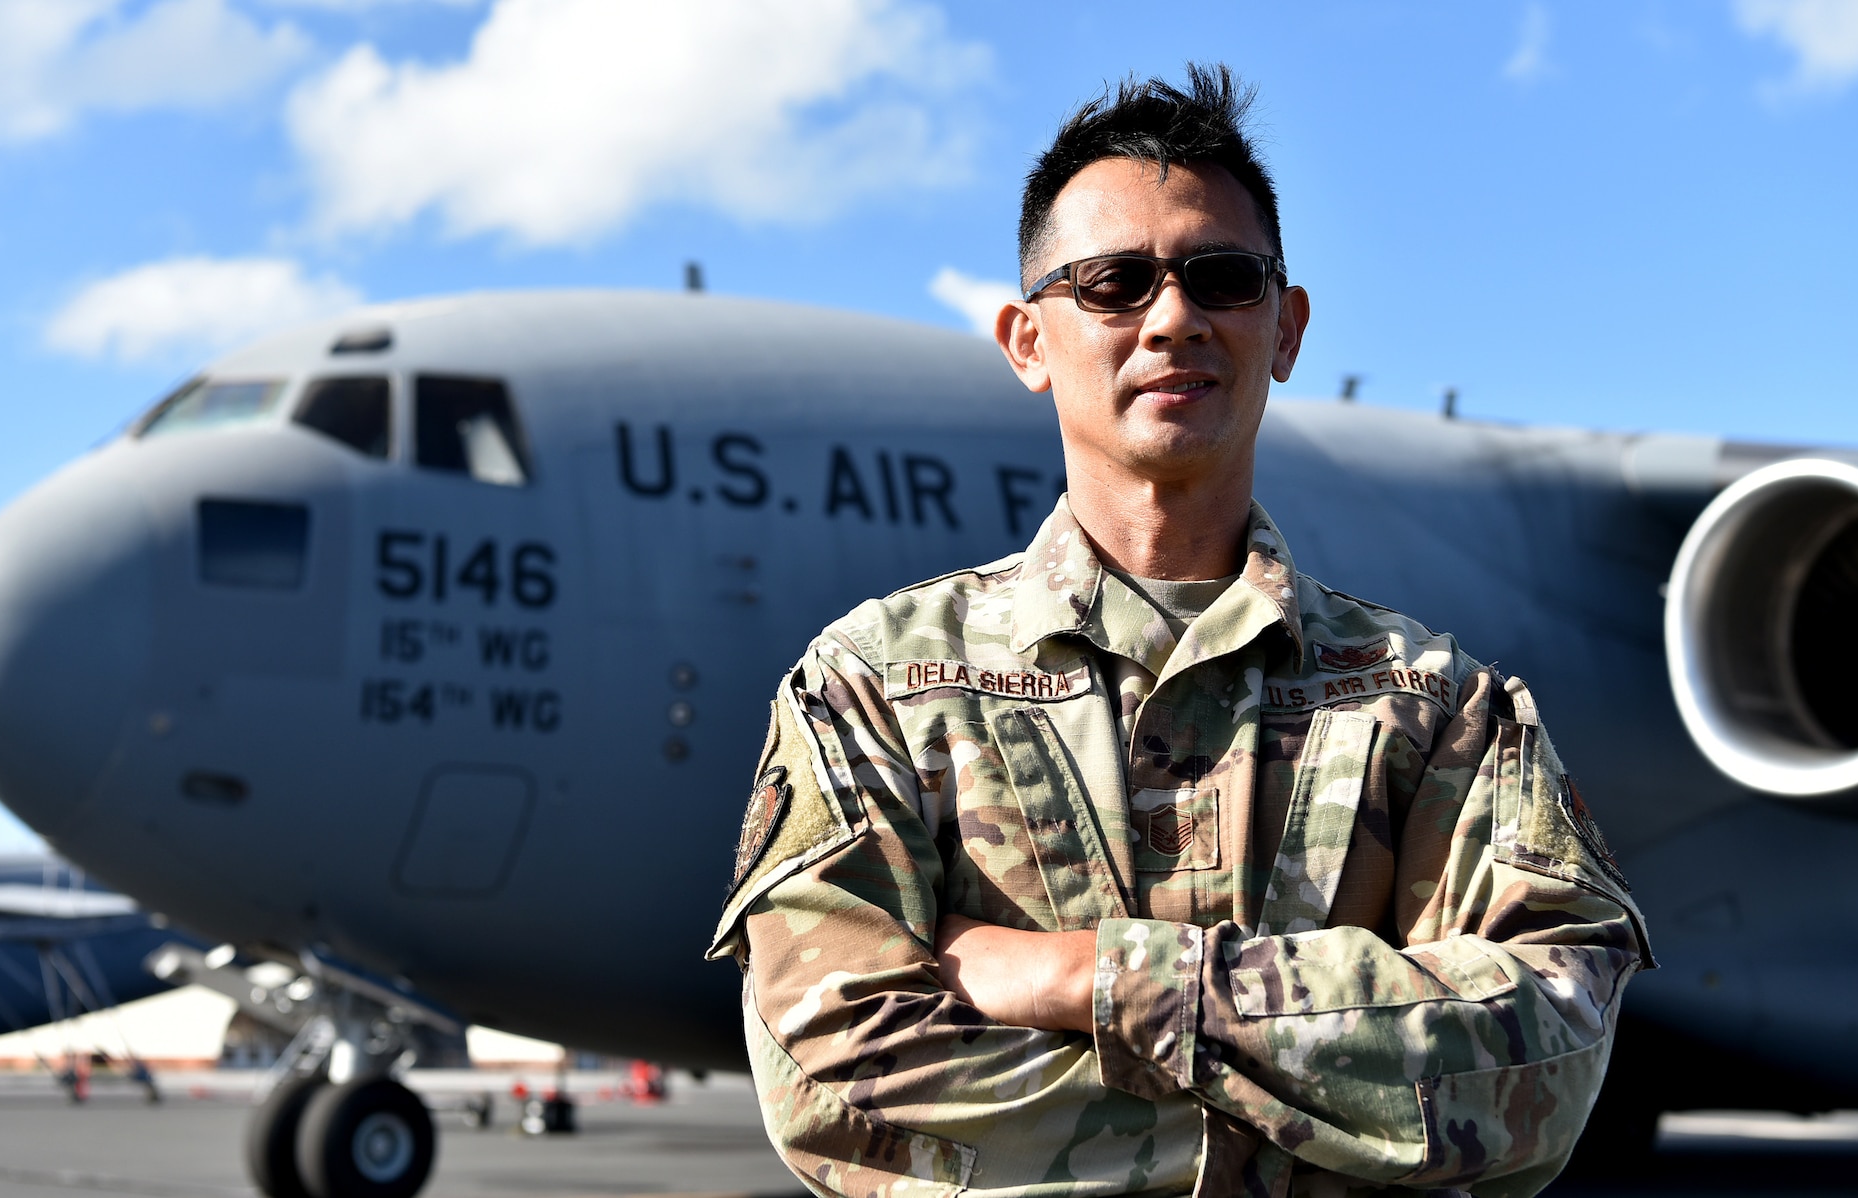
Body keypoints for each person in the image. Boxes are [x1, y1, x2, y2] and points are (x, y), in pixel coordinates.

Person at [708, 64, 1651, 1198]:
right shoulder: (876, 688)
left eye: (1221, 277)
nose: (1172, 318)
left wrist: (1087, 980)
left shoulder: (1432, 706)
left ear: (1284, 327)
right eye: (1110, 283)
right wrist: (1332, 1106)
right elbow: (837, 1085)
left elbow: (1537, 1067)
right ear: (1025, 339)